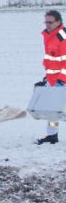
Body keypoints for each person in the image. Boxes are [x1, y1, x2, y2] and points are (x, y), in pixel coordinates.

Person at [36, 10, 66, 144]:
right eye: (46, 21)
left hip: (61, 81)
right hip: (52, 80)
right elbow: (52, 59)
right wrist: (47, 77)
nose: (47, 24)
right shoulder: (49, 36)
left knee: (55, 110)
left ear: (58, 22)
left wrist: (61, 80)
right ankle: (52, 136)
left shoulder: (62, 38)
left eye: (50, 22)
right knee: (52, 112)